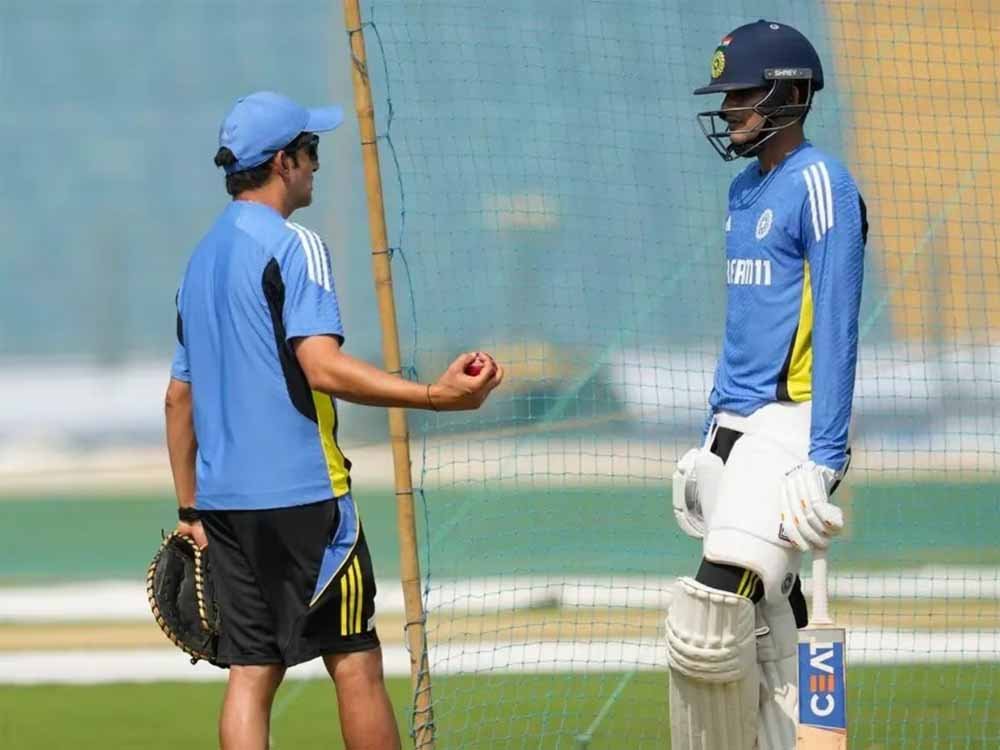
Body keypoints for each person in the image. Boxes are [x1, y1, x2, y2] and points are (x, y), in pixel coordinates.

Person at [164, 90, 503, 750]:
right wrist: (435, 396)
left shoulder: (198, 261)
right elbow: (320, 367)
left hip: (224, 506)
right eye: (311, 150)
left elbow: (179, 400)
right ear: (283, 162)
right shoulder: (297, 245)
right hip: (306, 498)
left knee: (250, 673)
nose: (317, 164)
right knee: (354, 660)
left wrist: (190, 511)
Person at [665, 21, 868, 750]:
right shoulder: (743, 189)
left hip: (790, 426)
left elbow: (838, 324)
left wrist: (825, 456)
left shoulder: (822, 183)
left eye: (741, 94)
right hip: (735, 427)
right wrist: (712, 437)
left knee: (708, 620)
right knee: (769, 624)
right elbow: (744, 327)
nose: (728, 110)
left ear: (789, 94)